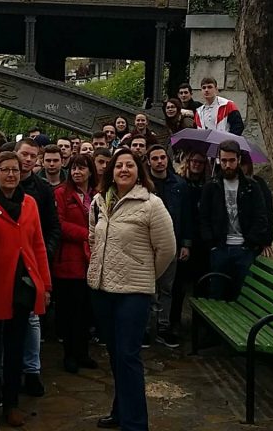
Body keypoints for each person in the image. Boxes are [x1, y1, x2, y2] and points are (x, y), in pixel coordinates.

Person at [88, 147, 176, 431]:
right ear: (111, 171)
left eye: (129, 165)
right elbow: (93, 238)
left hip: (133, 293)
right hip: (102, 290)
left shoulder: (151, 204)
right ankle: (120, 410)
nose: (123, 170)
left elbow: (167, 249)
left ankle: (135, 424)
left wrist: (145, 274)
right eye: (118, 166)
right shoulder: (99, 201)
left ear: (139, 171)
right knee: (115, 354)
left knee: (128, 355)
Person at [0, 151, 52, 429]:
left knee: (16, 347)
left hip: (23, 285)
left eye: (15, 170)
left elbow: (38, 244)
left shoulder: (30, 203)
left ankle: (12, 404)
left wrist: (45, 284)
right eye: (5, 170)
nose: (11, 175)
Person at [12, 138, 60, 396]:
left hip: (32, 260)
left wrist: (45, 254)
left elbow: (52, 227)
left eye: (33, 156)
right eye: (24, 155)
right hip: (7, 261)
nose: (28, 160)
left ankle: (32, 370)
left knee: (32, 317)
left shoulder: (42, 189)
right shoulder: (2, 183)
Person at [199, 140, 270, 301]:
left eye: (231, 160)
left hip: (244, 249)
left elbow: (261, 216)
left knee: (242, 295)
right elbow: (204, 217)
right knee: (216, 294)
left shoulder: (252, 186)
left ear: (238, 159)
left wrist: (250, 243)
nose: (227, 165)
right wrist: (211, 243)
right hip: (220, 248)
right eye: (224, 160)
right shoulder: (211, 187)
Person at [52, 154, 99, 373]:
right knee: (70, 311)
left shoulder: (98, 194)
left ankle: (83, 353)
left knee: (86, 311)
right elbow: (59, 224)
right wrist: (87, 234)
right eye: (73, 168)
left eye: (81, 168)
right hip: (69, 260)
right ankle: (69, 354)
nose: (77, 172)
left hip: (92, 260)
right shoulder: (61, 193)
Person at [145, 145, 190, 349]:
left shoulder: (179, 184)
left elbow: (186, 215)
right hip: (147, 245)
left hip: (172, 243)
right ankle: (146, 328)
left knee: (167, 288)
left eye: (162, 157)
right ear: (149, 161)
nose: (160, 161)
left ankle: (163, 327)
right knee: (147, 288)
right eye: (155, 158)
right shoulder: (143, 185)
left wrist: (186, 244)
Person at [172, 151, 210, 329]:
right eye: (194, 161)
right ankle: (175, 320)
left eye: (201, 162)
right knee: (179, 284)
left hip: (201, 240)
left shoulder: (207, 186)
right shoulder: (179, 183)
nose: (196, 164)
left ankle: (198, 324)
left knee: (200, 284)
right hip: (183, 239)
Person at [239, 151, 273, 256]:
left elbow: (267, 212)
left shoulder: (258, 183)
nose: (240, 168)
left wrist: (266, 241)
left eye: (243, 164)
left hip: (253, 240)